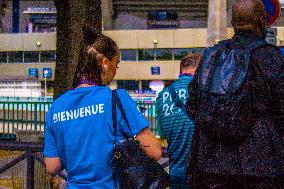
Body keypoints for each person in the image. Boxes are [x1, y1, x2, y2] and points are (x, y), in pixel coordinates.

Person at [44, 26, 162, 189]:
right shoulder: (116, 98)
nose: (115, 71)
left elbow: (52, 166)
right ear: (105, 64)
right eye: (116, 64)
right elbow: (154, 151)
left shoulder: (56, 106)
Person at [185, 0, 284, 188]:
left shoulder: (211, 56)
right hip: (260, 166)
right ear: (262, 21)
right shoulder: (271, 58)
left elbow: (192, 105)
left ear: (233, 23)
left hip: (210, 164)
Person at [156, 54, 200, 189]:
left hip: (175, 173)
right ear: (199, 71)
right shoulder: (202, 91)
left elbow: (162, 134)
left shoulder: (162, 95)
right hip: (199, 173)